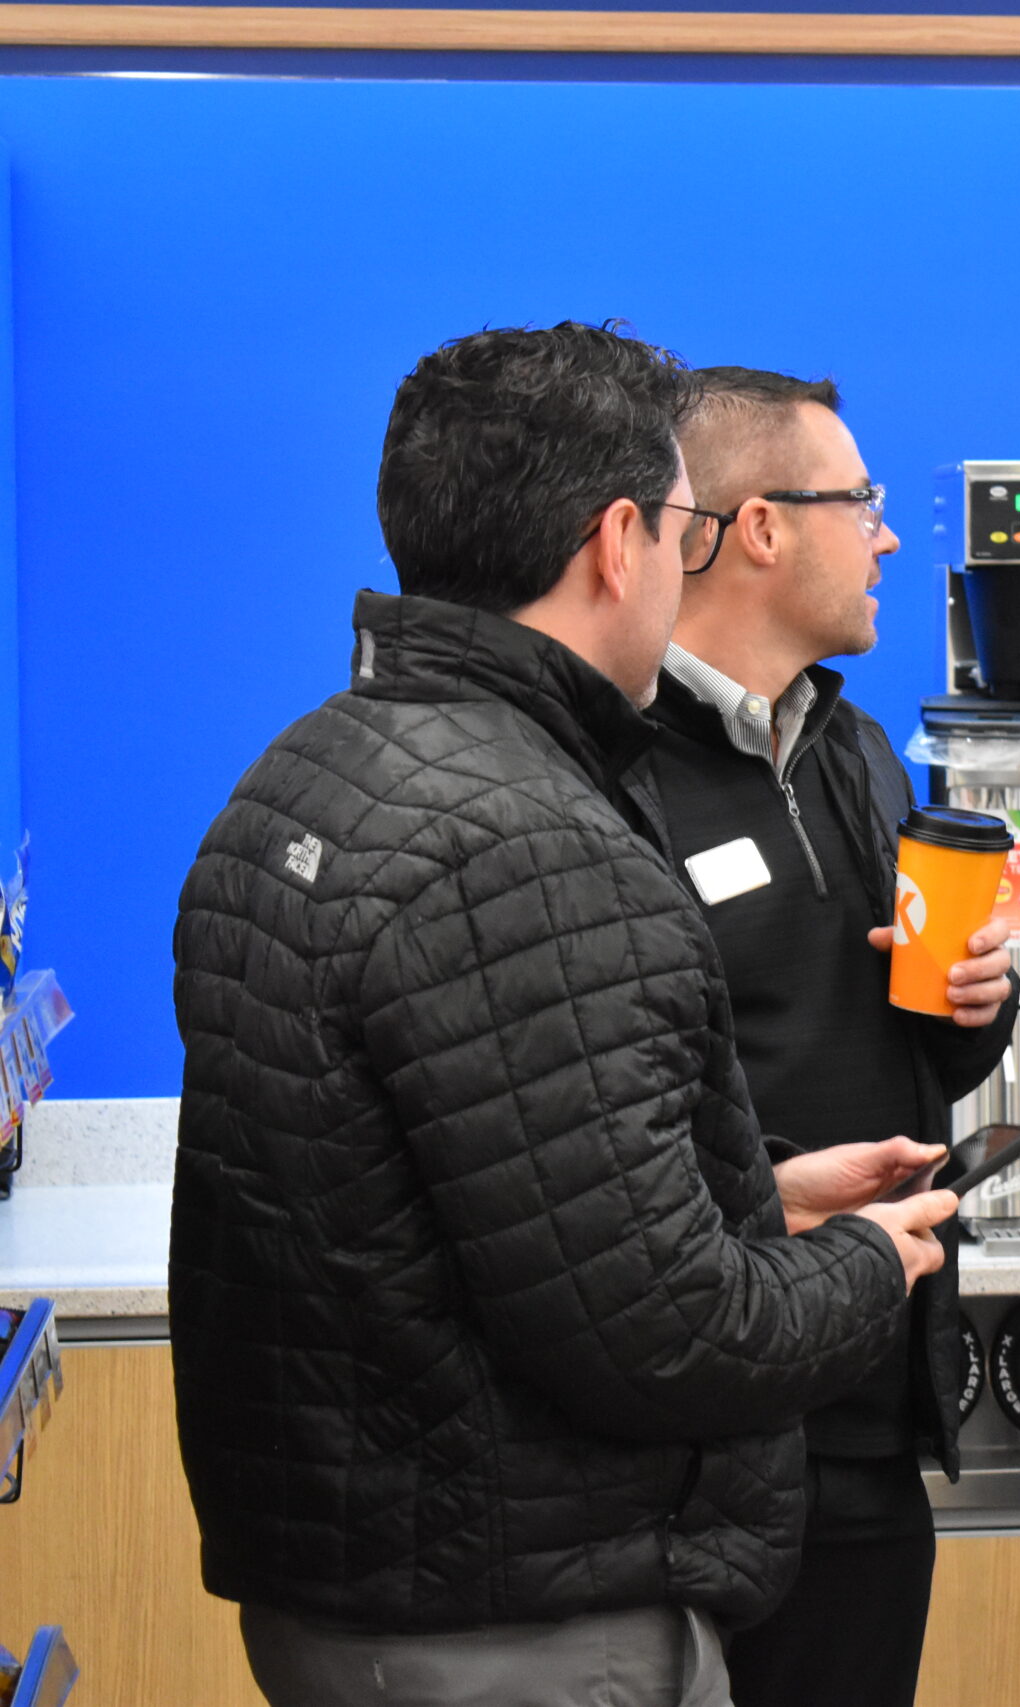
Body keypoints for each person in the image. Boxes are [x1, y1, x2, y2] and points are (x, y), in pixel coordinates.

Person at [169, 323, 956, 1707]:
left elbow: (484, 1214)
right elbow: (668, 1338)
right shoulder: (536, 844)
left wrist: (759, 1205)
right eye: (673, 528)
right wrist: (871, 1267)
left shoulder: (300, 778)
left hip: (361, 1585)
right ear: (616, 543)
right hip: (521, 1618)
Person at [644, 366, 1018, 1707]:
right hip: (696, 1427)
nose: (891, 534)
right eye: (862, 501)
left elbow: (919, 1042)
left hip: (868, 1388)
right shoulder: (606, 768)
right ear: (758, 528)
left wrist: (980, 1001)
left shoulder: (856, 750)